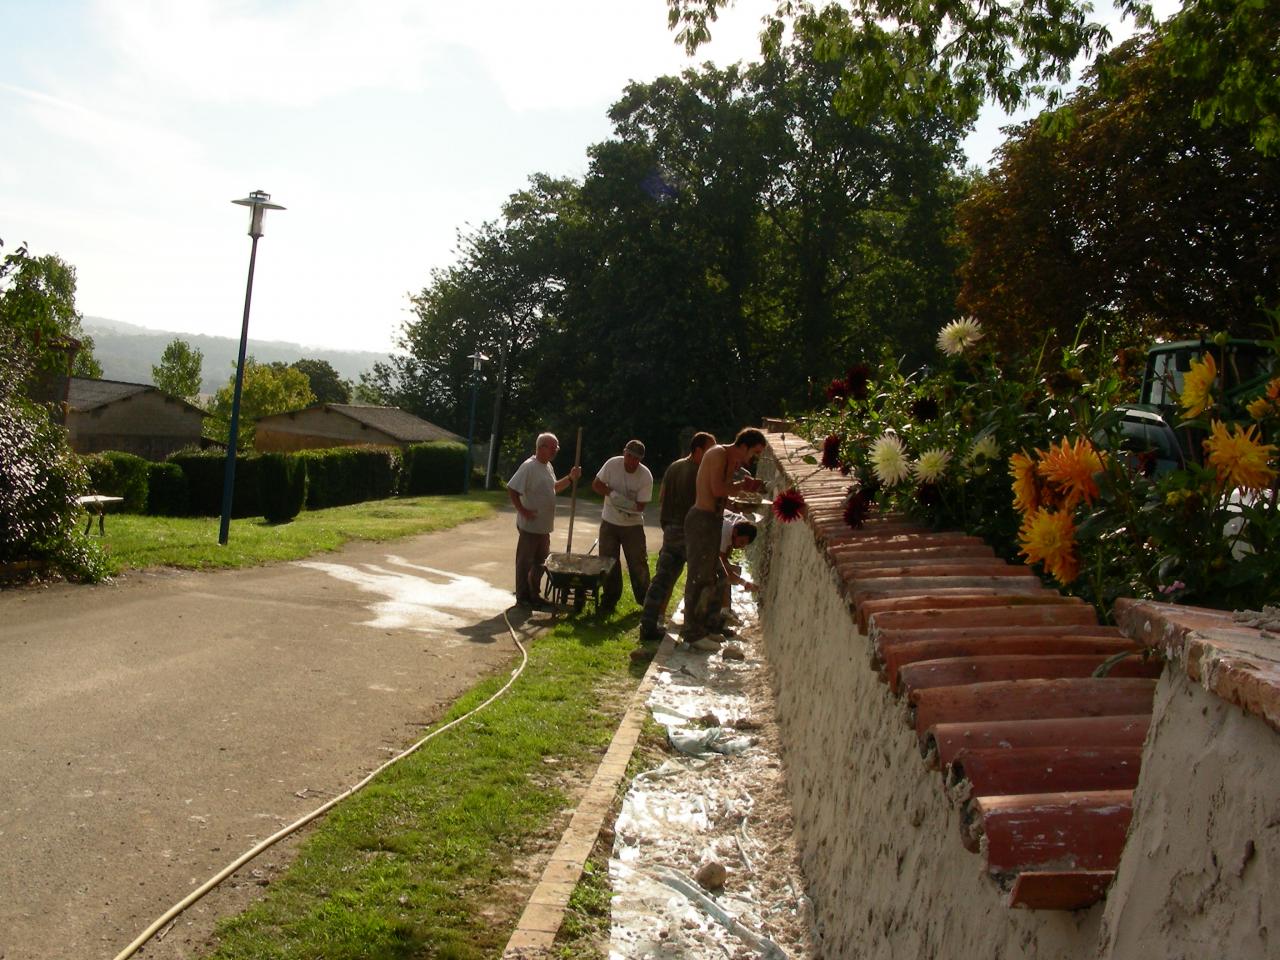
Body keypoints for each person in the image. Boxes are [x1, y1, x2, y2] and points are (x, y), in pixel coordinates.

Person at [680, 428, 767, 651]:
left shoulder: (730, 460)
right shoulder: (718, 454)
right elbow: (718, 490)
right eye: (754, 453)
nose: (754, 458)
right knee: (698, 577)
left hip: (713, 521)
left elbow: (724, 496)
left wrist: (742, 489)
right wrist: (742, 487)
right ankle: (692, 634)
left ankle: (708, 627)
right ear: (744, 446)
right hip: (702, 520)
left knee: (714, 576)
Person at [638, 431, 715, 642]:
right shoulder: (698, 472)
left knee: (662, 579)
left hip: (671, 529)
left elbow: (662, 496)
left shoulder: (674, 466)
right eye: (709, 451)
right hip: (688, 531)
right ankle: (696, 627)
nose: (712, 456)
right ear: (698, 450)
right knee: (699, 580)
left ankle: (649, 622)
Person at [507, 432, 581, 610]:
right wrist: (523, 510)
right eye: (553, 447)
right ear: (541, 447)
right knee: (525, 562)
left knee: (540, 563)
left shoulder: (547, 466)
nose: (555, 450)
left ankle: (534, 595)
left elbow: (554, 488)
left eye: (556, 447)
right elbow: (512, 488)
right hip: (530, 526)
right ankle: (523, 598)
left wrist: (570, 478)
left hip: (544, 527)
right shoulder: (529, 467)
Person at [591, 439, 654, 615]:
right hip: (609, 521)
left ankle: (645, 601)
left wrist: (617, 498)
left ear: (640, 460)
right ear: (624, 452)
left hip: (632, 524)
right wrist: (611, 493)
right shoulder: (612, 464)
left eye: (635, 458)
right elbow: (596, 484)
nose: (631, 461)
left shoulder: (645, 476)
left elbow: (640, 506)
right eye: (629, 455)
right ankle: (609, 600)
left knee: (638, 563)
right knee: (608, 562)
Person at [717, 516, 758, 624]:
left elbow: (725, 558)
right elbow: (721, 567)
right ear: (735, 532)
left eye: (744, 544)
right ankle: (723, 611)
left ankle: (726, 608)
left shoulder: (740, 524)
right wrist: (743, 582)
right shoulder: (724, 534)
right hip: (696, 541)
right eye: (741, 542)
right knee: (722, 575)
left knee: (730, 572)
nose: (741, 546)